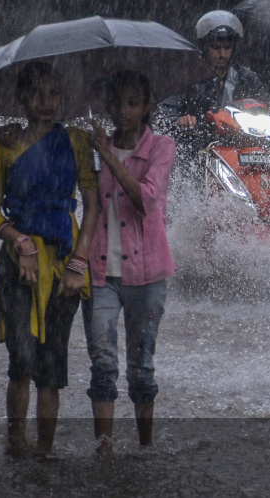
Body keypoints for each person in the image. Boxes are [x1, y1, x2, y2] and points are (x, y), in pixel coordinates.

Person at [0, 61, 98, 455]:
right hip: (18, 268)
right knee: (22, 360)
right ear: (21, 98)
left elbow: (93, 205)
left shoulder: (78, 142)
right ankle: (16, 447)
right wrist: (20, 242)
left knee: (52, 369)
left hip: (66, 266)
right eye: (36, 94)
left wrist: (79, 265)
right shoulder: (6, 143)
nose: (45, 103)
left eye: (53, 94)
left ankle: (45, 455)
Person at [83, 71, 176, 454]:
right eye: (118, 103)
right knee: (103, 361)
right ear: (107, 106)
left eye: (133, 103)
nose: (124, 111)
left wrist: (107, 156)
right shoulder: (92, 146)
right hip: (101, 272)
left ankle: (145, 446)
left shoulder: (161, 147)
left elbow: (146, 201)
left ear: (147, 107)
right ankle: (104, 445)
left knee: (141, 364)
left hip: (148, 274)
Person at [155, 10, 270, 133]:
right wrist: (181, 121)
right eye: (216, 48)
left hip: (241, 143)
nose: (222, 54)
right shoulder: (186, 77)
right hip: (200, 145)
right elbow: (164, 116)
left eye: (227, 48)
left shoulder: (246, 77)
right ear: (205, 48)